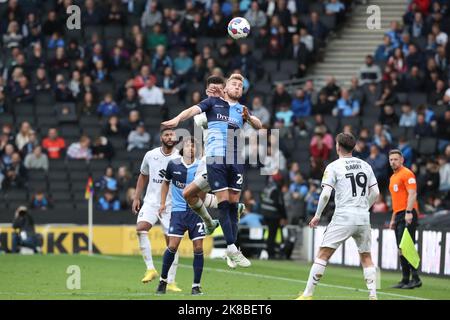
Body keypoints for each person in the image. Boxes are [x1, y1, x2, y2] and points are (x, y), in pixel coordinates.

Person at [162, 74, 262, 268]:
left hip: (236, 160)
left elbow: (258, 125)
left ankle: (230, 247)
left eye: (240, 86)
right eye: (234, 84)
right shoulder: (212, 103)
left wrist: (248, 117)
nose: (237, 87)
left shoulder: (242, 110)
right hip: (215, 159)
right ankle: (231, 246)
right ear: (225, 89)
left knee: (232, 205)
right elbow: (193, 111)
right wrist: (177, 119)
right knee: (223, 203)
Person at [297, 133, 380, 300]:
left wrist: (317, 215)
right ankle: (373, 295)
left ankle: (307, 294)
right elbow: (376, 193)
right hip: (363, 217)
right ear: (353, 147)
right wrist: (364, 207)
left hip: (344, 216)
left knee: (323, 255)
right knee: (366, 256)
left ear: (337, 147)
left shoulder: (333, 166)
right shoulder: (366, 165)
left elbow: (326, 195)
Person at [132, 128, 181, 291]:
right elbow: (143, 175)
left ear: (175, 138)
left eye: (171, 134)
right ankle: (150, 269)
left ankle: (171, 281)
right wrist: (137, 197)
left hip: (171, 205)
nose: (169, 137)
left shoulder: (180, 157)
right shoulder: (150, 155)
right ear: (161, 137)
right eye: (166, 134)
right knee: (141, 229)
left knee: (172, 244)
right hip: (152, 202)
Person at [156, 137, 206, 295]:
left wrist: (202, 203)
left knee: (198, 248)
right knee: (172, 246)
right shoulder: (173, 164)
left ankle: (196, 286)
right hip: (177, 212)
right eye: (187, 145)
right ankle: (163, 281)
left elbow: (205, 187)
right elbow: (165, 183)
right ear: (182, 148)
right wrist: (163, 203)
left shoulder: (201, 166)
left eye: (193, 145)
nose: (190, 148)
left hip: (196, 213)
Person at [388, 149, 422, 289]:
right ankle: (405, 279)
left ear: (402, 160)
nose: (393, 162)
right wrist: (393, 218)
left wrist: (409, 212)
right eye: (391, 160)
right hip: (399, 214)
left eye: (396, 159)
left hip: (408, 213)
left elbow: (412, 194)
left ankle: (416, 278)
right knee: (401, 248)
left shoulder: (407, 174)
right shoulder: (393, 177)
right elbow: (396, 201)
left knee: (407, 246)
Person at [260, 172, 288, 259]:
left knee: (269, 234)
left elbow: (262, 198)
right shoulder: (276, 190)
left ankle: (268, 251)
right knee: (272, 235)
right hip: (273, 215)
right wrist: (284, 217)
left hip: (265, 214)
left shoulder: (268, 188)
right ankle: (271, 253)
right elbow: (279, 204)